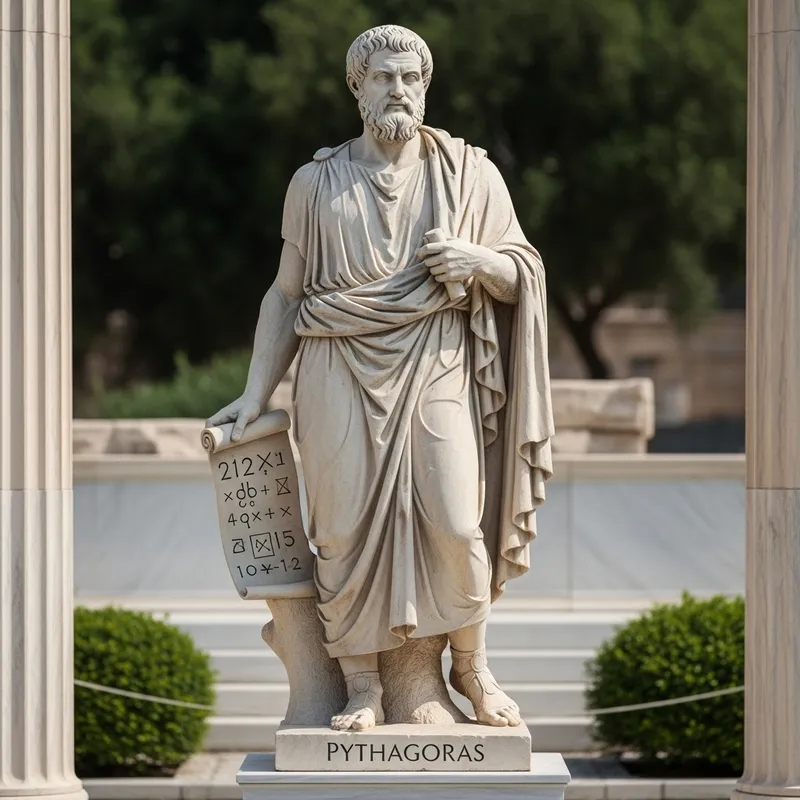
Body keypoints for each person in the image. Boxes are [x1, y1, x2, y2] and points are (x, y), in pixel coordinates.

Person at [208, 24, 554, 732]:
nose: (399, 90)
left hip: (435, 361)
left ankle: (472, 667)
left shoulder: (470, 173)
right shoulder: (316, 183)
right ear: (357, 87)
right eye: (385, 78)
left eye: (411, 79)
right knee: (339, 530)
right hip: (335, 364)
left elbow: (524, 270)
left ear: (425, 87)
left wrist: (479, 262)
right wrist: (254, 395)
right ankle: (361, 684)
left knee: (458, 525)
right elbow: (285, 294)